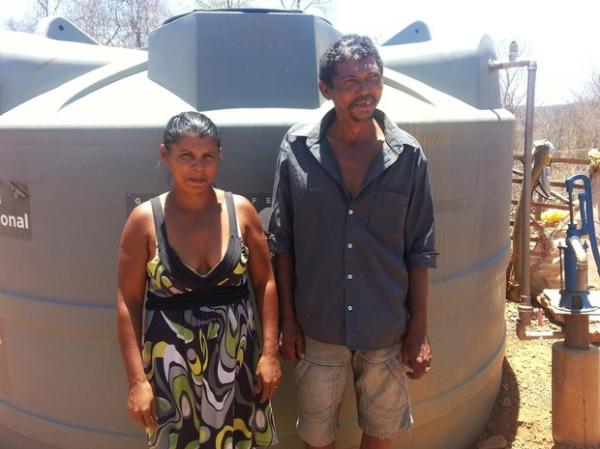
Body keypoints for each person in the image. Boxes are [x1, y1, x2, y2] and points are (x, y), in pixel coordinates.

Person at [268, 34, 438, 449]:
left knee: (380, 436)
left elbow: (420, 248)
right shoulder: (297, 150)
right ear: (326, 89)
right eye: (350, 81)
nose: (365, 90)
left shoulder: (408, 156)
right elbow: (282, 241)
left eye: (372, 78)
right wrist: (287, 320)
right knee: (316, 437)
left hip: (386, 327)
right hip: (317, 327)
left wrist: (418, 331)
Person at [117, 111, 280, 449]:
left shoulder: (242, 211)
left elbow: (265, 282)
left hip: (238, 365)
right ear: (166, 155)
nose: (197, 167)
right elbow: (127, 301)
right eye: (186, 156)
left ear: (219, 157)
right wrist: (137, 381)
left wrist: (269, 354)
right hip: (172, 374)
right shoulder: (145, 221)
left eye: (208, 157)